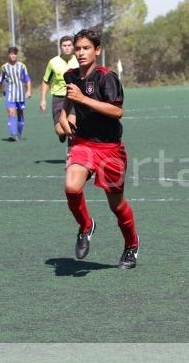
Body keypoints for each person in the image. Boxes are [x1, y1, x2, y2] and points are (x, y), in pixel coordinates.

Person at [59, 29, 139, 270]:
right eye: (78, 48)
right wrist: (63, 117)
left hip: (109, 149)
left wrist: (84, 99)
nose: (81, 52)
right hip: (83, 143)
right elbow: (68, 101)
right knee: (71, 187)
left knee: (116, 205)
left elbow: (117, 112)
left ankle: (131, 246)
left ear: (97, 50)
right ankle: (85, 226)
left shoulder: (107, 78)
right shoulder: (70, 75)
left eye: (86, 48)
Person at [40, 36, 79, 142]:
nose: (67, 48)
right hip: (58, 99)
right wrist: (43, 99)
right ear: (60, 47)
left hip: (73, 98)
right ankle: (61, 134)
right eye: (64, 45)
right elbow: (45, 81)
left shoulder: (79, 60)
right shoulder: (53, 62)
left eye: (69, 45)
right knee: (61, 131)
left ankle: (71, 155)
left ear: (73, 47)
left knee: (71, 127)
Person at [0, 47, 32, 141]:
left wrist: (29, 91)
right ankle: (13, 134)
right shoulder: (4, 67)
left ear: (16, 55)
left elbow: (27, 79)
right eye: (11, 54)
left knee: (20, 114)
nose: (13, 55)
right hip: (10, 94)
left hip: (20, 95)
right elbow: (0, 80)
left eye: (14, 54)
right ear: (8, 55)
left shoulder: (22, 66)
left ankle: (18, 133)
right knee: (11, 113)